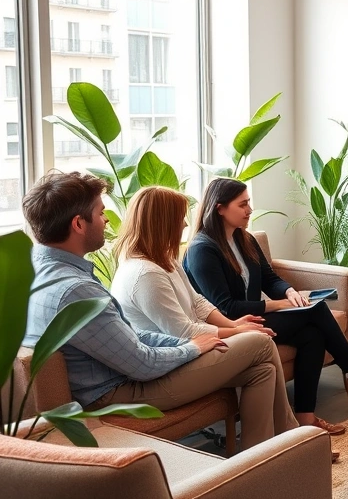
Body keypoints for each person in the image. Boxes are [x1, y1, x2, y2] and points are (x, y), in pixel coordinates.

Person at [21, 172, 295, 451]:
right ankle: (294, 439)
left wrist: (188, 343)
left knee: (260, 369)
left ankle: (263, 457)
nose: (105, 221)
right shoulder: (77, 289)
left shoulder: (45, 272)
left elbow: (129, 333)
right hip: (118, 392)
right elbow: (143, 365)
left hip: (126, 375)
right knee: (260, 342)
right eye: (101, 212)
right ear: (79, 224)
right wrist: (192, 348)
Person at [184, 177, 348, 436]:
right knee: (316, 310)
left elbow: (269, 277)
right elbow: (227, 307)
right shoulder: (202, 250)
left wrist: (289, 290)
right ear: (219, 208)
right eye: (242, 204)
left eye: (249, 203)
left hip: (252, 317)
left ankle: (306, 418)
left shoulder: (244, 239)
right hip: (229, 326)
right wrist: (280, 303)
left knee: (312, 335)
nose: (250, 210)